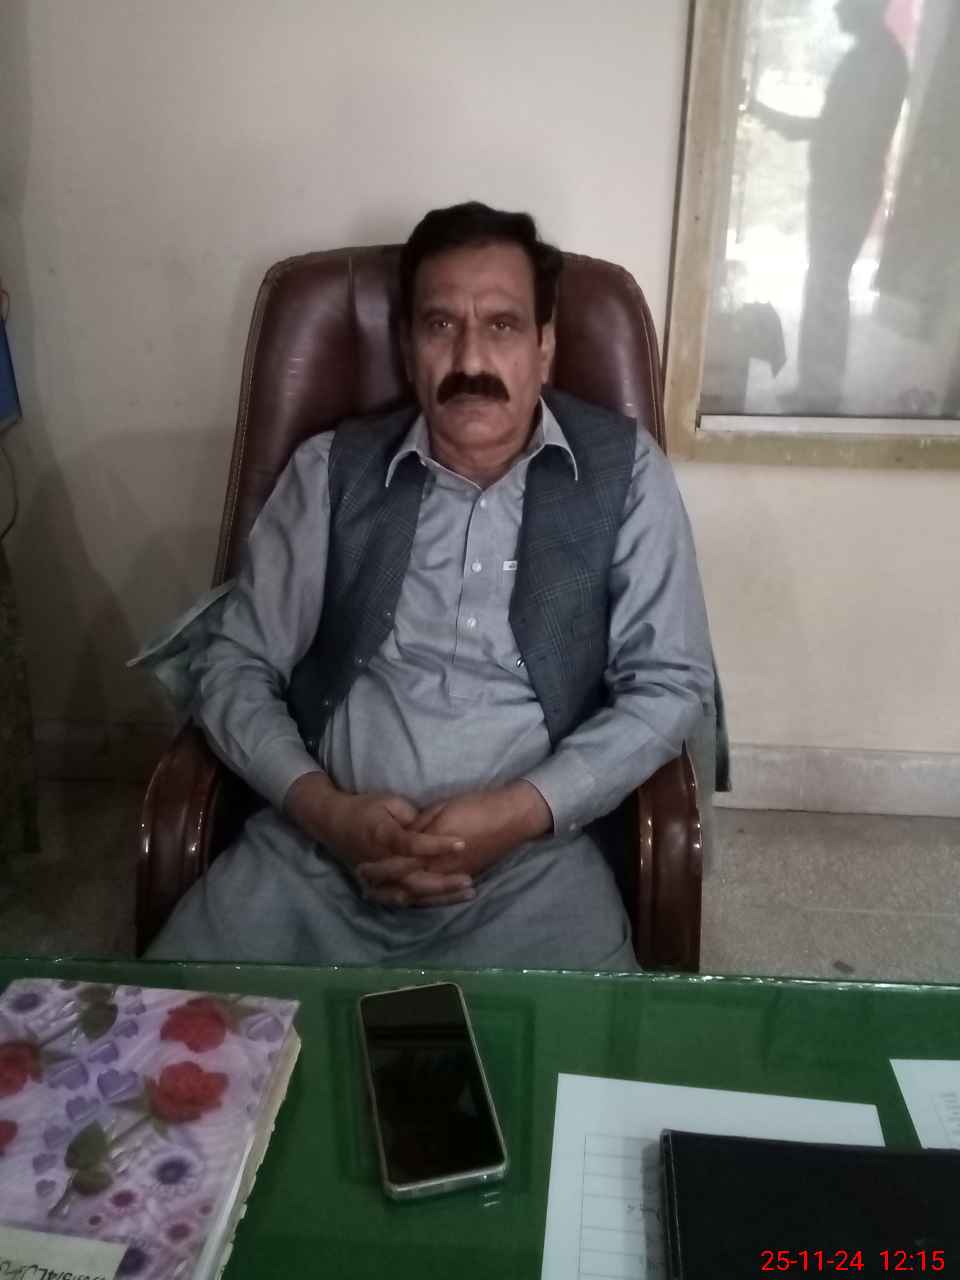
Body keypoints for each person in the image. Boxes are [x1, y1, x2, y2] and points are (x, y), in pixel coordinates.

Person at [145, 201, 716, 970]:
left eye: (503, 325)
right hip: (313, 859)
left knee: (581, 1049)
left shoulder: (625, 473)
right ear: (408, 347)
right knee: (160, 1033)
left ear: (545, 346)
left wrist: (519, 814)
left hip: (533, 868)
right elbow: (235, 663)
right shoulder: (330, 470)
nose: (470, 358)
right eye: (441, 325)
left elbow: (671, 683)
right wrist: (326, 811)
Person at [751, 0, 908, 411]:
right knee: (825, 285)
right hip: (843, 190)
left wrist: (773, 117)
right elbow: (835, 128)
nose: (837, 8)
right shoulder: (875, 57)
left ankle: (820, 392)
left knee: (826, 287)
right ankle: (817, 387)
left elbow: (839, 131)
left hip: (845, 192)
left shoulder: (876, 61)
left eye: (844, 2)